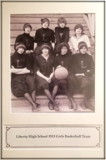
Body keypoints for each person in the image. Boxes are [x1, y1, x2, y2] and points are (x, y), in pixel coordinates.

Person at [11, 43, 38, 112]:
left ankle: (34, 102)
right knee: (21, 86)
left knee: (32, 81)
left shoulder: (27, 57)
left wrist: (16, 70)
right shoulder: (12, 57)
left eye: (23, 48)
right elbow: (10, 70)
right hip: (16, 77)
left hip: (26, 75)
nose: (21, 50)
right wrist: (22, 70)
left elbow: (28, 70)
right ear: (17, 49)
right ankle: (33, 104)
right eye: (20, 48)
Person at [68, 41, 94, 110]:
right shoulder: (75, 56)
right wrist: (85, 71)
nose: (84, 50)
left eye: (85, 48)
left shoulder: (89, 57)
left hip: (85, 75)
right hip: (77, 76)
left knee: (89, 81)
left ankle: (85, 101)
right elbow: (74, 68)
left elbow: (92, 69)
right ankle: (86, 102)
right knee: (86, 81)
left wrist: (84, 73)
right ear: (79, 49)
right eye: (82, 48)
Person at [34, 44, 59, 111]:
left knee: (56, 81)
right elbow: (37, 71)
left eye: (46, 49)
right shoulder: (38, 58)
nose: (45, 50)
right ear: (41, 50)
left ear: (49, 50)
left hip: (50, 74)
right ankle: (55, 104)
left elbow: (54, 69)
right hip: (41, 76)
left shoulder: (52, 57)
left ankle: (50, 102)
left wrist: (50, 77)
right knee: (44, 83)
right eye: (43, 49)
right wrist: (46, 78)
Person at [54, 42, 77, 110]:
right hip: (60, 74)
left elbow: (73, 67)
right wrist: (57, 67)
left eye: (65, 48)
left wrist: (68, 73)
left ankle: (71, 101)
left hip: (69, 73)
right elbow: (55, 67)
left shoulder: (71, 57)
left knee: (71, 80)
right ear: (60, 49)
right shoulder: (57, 57)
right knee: (62, 82)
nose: (64, 50)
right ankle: (72, 101)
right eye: (62, 48)